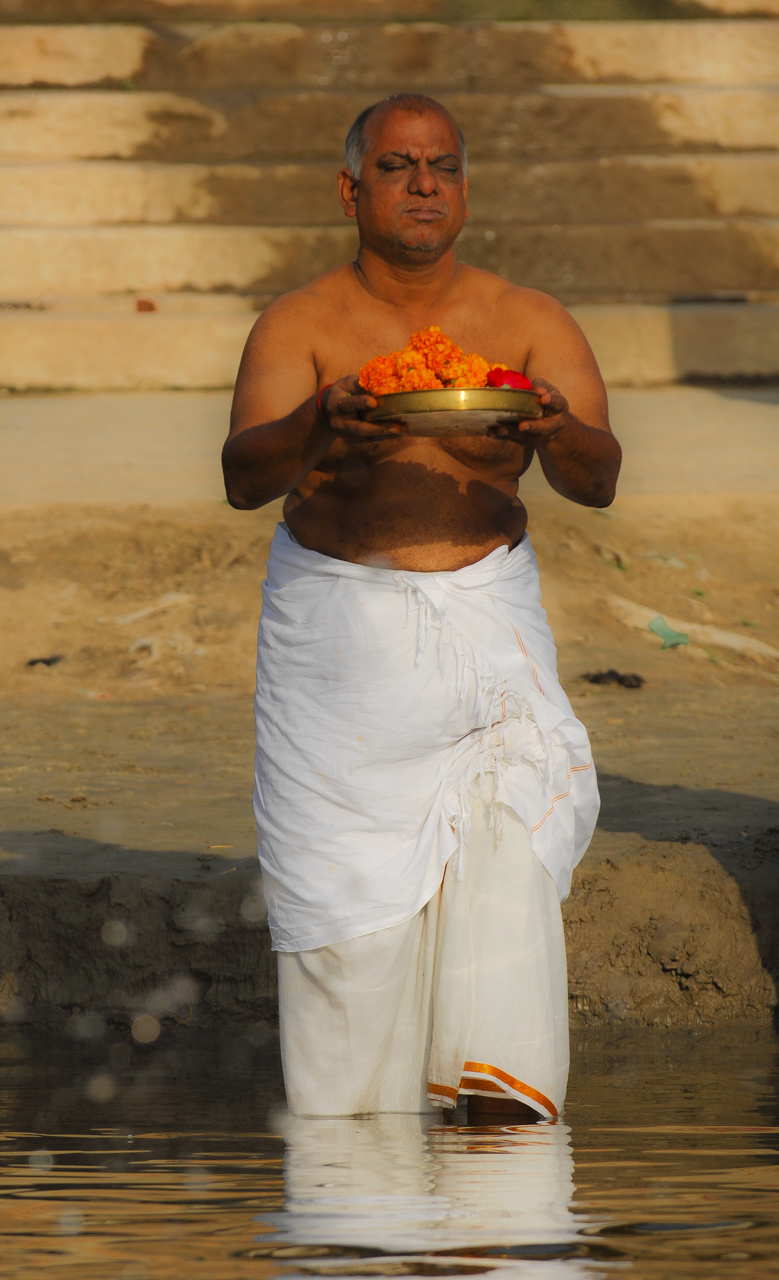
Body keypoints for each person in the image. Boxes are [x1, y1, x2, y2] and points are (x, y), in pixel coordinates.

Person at [222, 92, 621, 1123]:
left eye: (440, 165)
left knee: (502, 872)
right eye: (397, 167)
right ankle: (358, 1190)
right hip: (340, 652)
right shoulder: (301, 324)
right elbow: (241, 476)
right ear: (352, 190)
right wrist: (316, 426)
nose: (423, 184)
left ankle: (496, 1203)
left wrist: (555, 428)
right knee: (348, 940)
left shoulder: (526, 321)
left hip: (485, 640)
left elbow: (596, 478)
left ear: (465, 188)